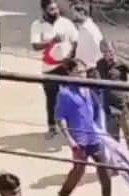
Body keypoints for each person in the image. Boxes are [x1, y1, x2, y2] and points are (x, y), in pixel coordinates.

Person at [53, 60, 115, 196]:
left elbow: (94, 110)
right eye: (79, 72)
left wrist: (99, 129)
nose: (83, 75)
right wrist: (69, 139)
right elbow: (60, 118)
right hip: (79, 140)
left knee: (104, 167)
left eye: (84, 71)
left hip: (93, 136)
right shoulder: (65, 94)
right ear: (70, 73)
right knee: (79, 170)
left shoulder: (87, 89)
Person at [30, 0, 76, 136]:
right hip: (49, 67)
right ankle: (52, 127)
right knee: (51, 99)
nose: (55, 11)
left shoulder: (66, 23)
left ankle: (72, 127)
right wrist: (51, 41)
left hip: (66, 66)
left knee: (71, 97)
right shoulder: (37, 25)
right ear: (44, 11)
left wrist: (70, 57)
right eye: (51, 9)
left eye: (56, 8)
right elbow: (35, 45)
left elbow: (75, 41)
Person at [96, 41, 129, 154]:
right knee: (113, 140)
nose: (108, 55)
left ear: (114, 51)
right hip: (108, 108)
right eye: (105, 52)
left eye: (110, 51)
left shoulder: (121, 64)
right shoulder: (100, 64)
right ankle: (117, 164)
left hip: (123, 108)